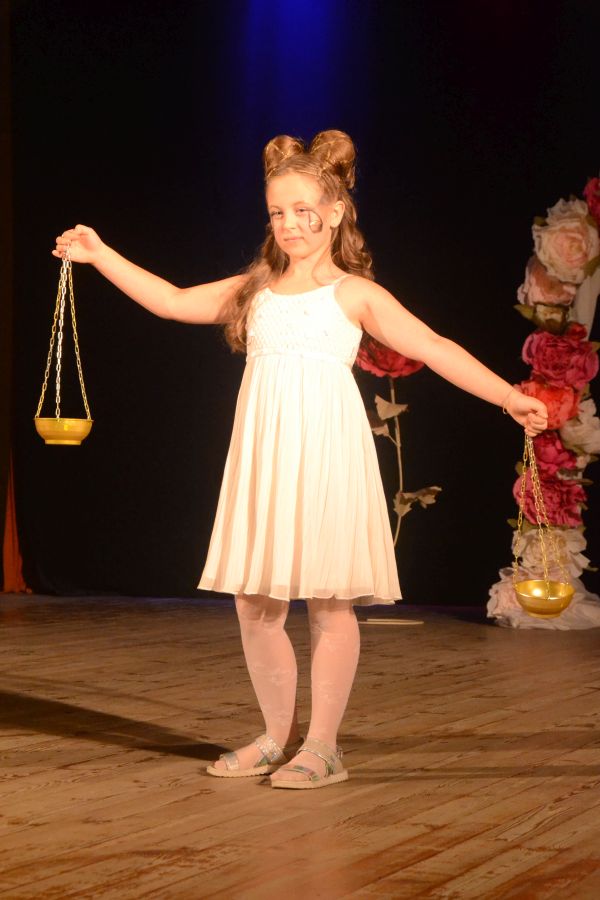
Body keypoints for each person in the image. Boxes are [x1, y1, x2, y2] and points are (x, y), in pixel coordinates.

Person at [54, 129, 548, 790]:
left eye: (304, 211)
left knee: (328, 601)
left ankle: (323, 746)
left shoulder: (354, 294)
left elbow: (432, 345)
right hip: (265, 456)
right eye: (277, 212)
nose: (289, 224)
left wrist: (509, 397)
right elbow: (172, 302)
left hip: (326, 454)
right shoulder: (255, 289)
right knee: (254, 603)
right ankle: (273, 736)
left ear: (337, 212)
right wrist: (100, 254)